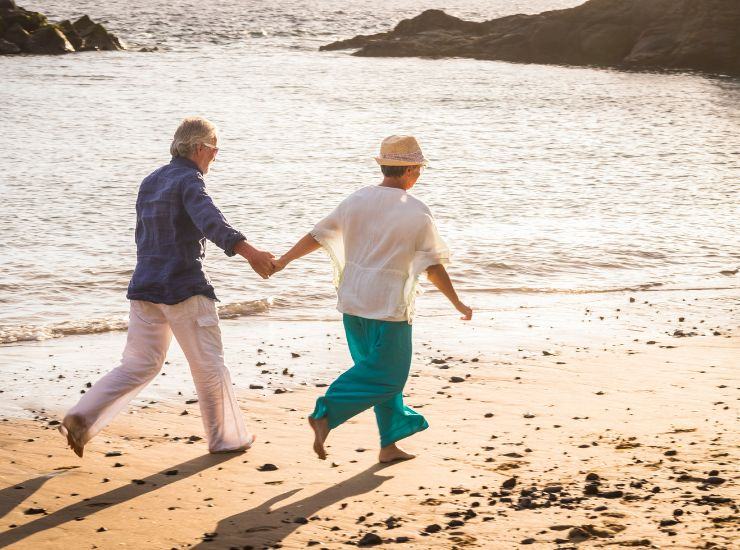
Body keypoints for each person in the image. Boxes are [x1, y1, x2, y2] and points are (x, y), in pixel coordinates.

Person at [59, 116, 275, 457]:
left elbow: (145, 236)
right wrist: (250, 253)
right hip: (183, 288)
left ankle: (82, 415)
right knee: (209, 365)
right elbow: (211, 221)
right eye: (215, 150)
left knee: (138, 364)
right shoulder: (190, 181)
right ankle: (226, 439)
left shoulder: (151, 180)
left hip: (144, 287)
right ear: (201, 148)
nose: (215, 158)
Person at [274, 135, 472, 463]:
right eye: (418, 168)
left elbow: (317, 235)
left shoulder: (356, 199)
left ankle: (389, 445)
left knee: (375, 376)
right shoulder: (417, 211)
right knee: (388, 376)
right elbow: (433, 268)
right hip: (388, 308)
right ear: (409, 169)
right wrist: (458, 303)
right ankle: (325, 412)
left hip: (352, 304)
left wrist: (284, 260)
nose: (420, 174)